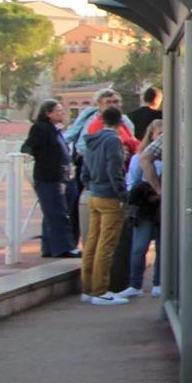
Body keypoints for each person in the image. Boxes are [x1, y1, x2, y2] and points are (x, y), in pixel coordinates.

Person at [79, 106, 131, 305]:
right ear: (121, 123)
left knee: (92, 242)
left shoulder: (92, 140)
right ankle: (101, 290)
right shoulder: (113, 141)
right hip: (110, 196)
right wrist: (122, 194)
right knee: (107, 244)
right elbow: (115, 169)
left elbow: (84, 170)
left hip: (94, 194)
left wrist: (91, 185)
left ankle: (88, 288)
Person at [20, 99, 80, 259]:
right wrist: (47, 160)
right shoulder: (41, 128)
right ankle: (64, 247)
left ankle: (49, 247)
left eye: (62, 110)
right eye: (58, 111)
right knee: (57, 212)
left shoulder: (55, 130)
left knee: (54, 212)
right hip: (49, 177)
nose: (62, 113)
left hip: (61, 177)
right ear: (48, 113)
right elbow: (28, 147)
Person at [118, 119, 163, 299]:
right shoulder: (139, 157)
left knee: (163, 246)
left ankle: (158, 282)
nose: (162, 137)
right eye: (159, 134)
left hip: (162, 204)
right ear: (151, 135)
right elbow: (132, 181)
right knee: (139, 246)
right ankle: (135, 283)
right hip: (145, 204)